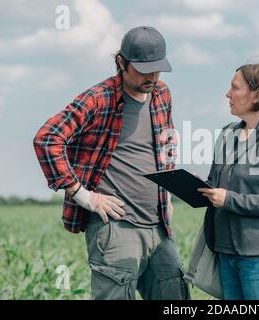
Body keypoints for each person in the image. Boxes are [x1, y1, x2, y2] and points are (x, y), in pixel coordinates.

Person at [33, 26, 189, 300]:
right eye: (143, 70)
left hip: (158, 225)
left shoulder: (161, 94)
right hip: (116, 229)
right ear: (121, 63)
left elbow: (165, 146)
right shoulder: (98, 99)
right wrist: (85, 197)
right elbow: (47, 139)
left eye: (157, 69)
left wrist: (167, 197)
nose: (151, 77)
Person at [197, 61, 259, 300]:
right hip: (226, 254)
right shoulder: (227, 134)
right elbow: (217, 185)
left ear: (256, 95)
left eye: (234, 88)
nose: (227, 94)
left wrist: (229, 199)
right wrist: (198, 186)